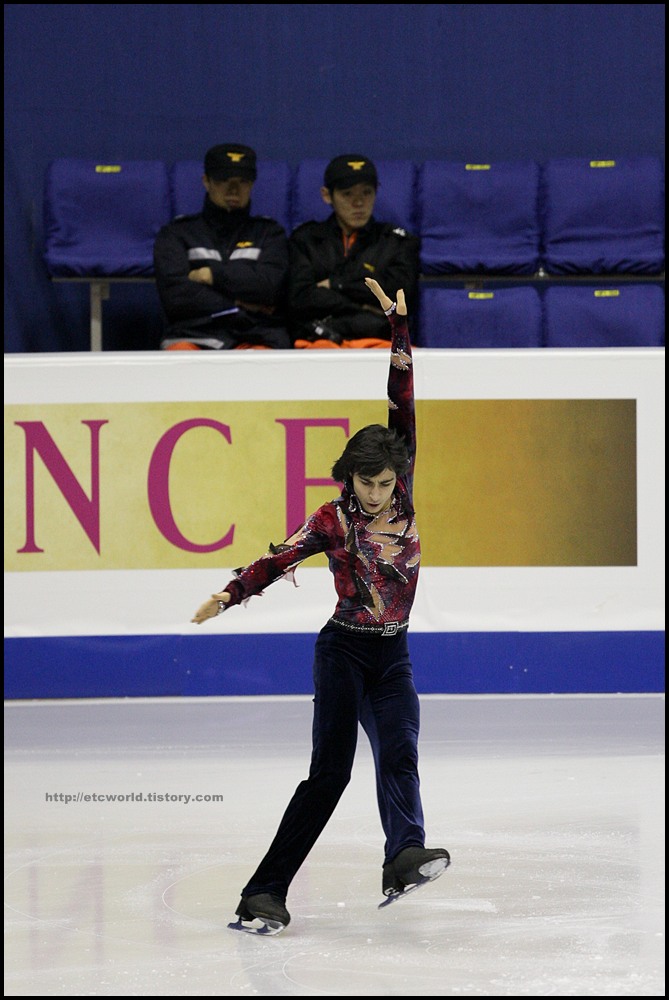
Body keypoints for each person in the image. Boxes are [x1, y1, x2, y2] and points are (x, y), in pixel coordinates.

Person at [191, 277, 450, 935]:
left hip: (392, 655)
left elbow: (402, 401)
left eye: (386, 481)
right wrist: (231, 592)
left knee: (400, 752)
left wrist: (398, 329)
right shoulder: (331, 520)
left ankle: (402, 858)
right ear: (348, 478)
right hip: (342, 655)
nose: (377, 493)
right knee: (327, 777)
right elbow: (281, 558)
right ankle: (263, 893)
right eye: (367, 482)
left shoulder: (405, 495)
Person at [153, 143, 291, 350]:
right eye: (223, 180)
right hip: (193, 336)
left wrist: (212, 275)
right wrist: (238, 304)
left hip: (255, 337)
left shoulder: (270, 233)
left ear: (252, 184)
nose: (233, 190)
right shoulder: (177, 234)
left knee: (266, 364)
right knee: (180, 356)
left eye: (242, 181)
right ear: (206, 182)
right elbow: (177, 298)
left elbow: (270, 288)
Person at [287, 154, 421, 348]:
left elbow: (399, 297)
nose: (358, 203)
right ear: (327, 195)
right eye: (348, 194)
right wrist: (363, 306)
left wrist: (337, 284)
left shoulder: (397, 242)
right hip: (320, 342)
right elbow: (299, 299)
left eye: (366, 193)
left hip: (380, 341)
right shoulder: (306, 239)